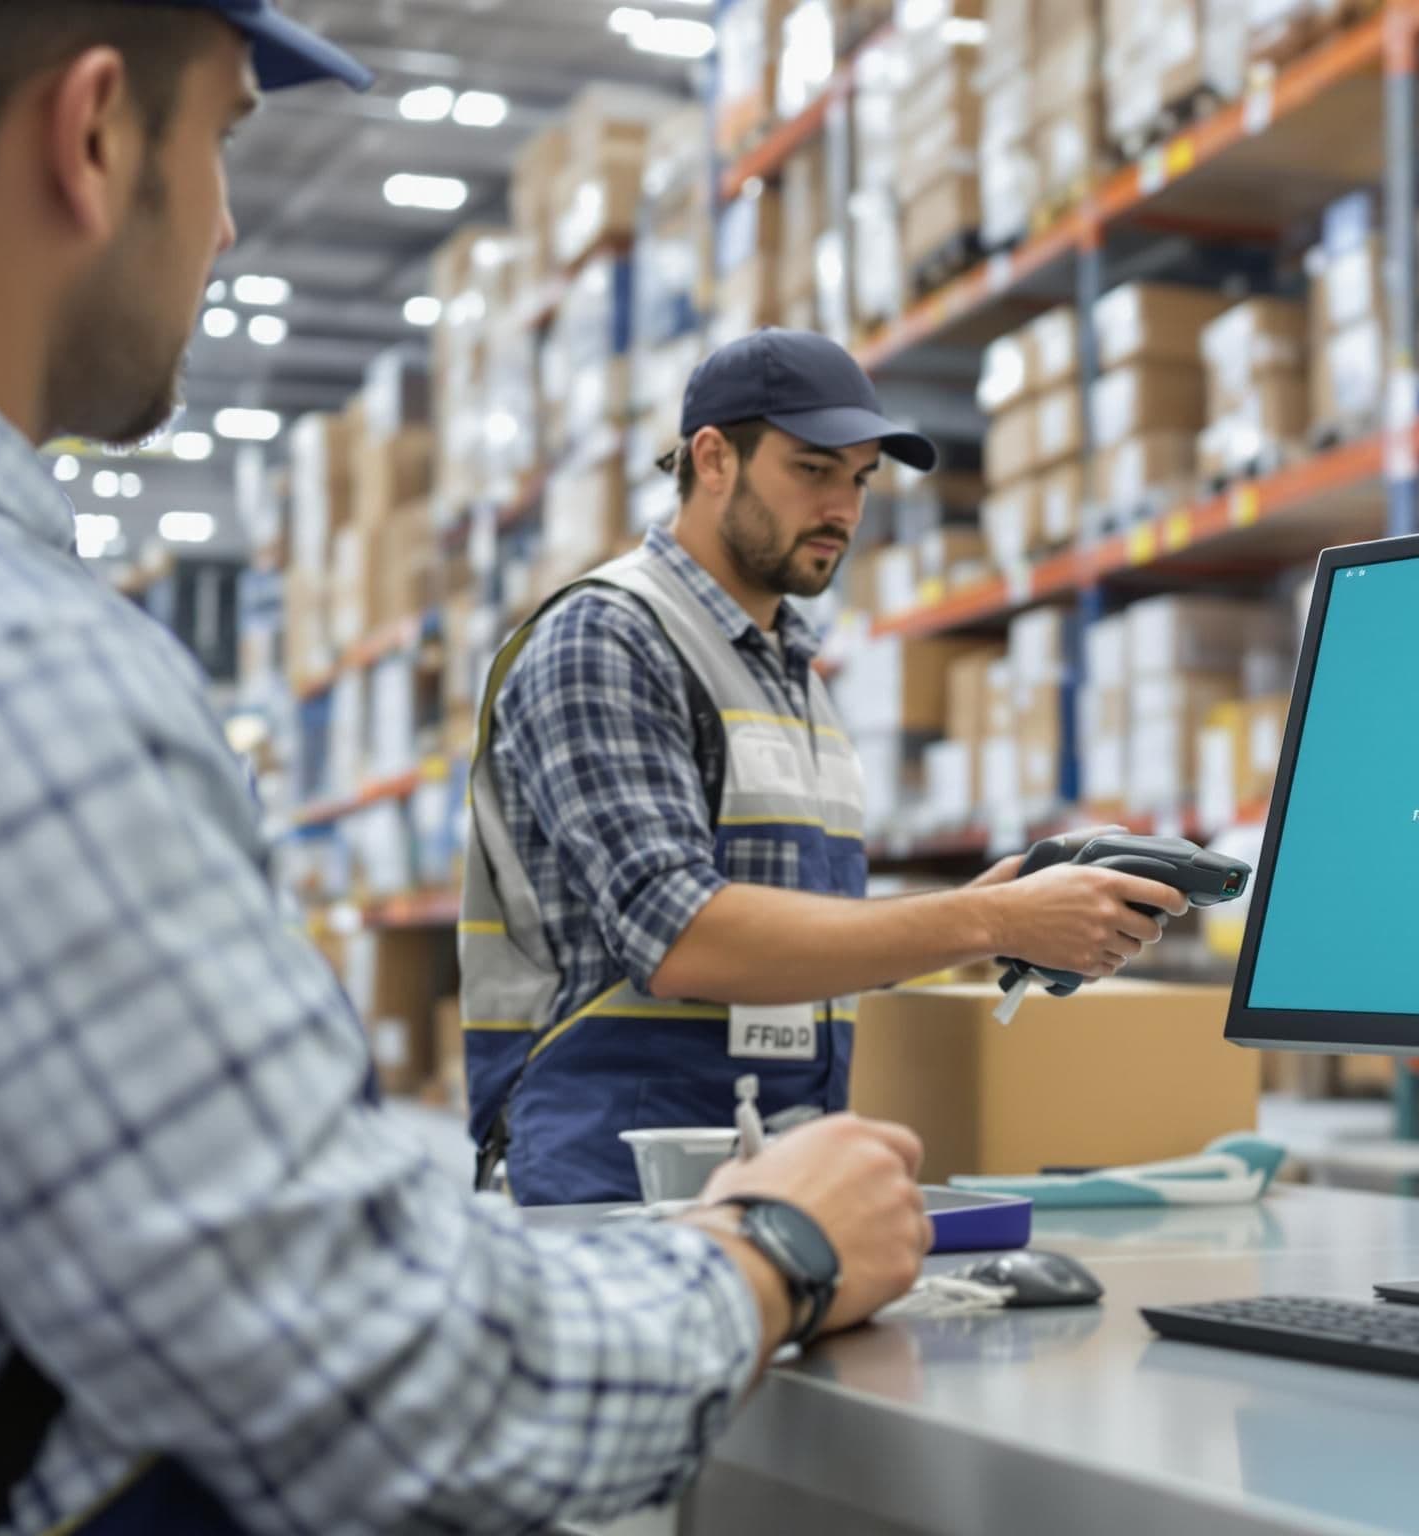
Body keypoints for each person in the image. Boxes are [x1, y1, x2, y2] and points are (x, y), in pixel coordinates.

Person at [0, 4, 934, 1532]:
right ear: (94, 134)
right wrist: (774, 1251)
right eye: (223, 141)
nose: (232, 223)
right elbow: (368, 1381)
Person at [465, 328, 1190, 1206]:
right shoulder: (606, 638)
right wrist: (983, 918)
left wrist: (985, 924)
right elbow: (685, 937)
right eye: (813, 470)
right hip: (617, 1171)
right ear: (713, 458)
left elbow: (804, 942)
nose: (844, 508)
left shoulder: (789, 673)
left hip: (779, 1157)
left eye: (859, 479)